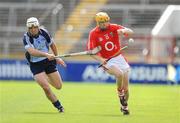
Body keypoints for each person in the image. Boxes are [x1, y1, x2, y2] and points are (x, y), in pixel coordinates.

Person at [87, 12, 133, 115]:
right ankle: (119, 92)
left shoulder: (114, 27)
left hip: (119, 58)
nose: (105, 24)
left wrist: (124, 30)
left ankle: (124, 106)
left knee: (126, 89)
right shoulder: (93, 33)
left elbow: (130, 32)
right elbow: (91, 53)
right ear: (98, 23)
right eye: (102, 22)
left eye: (106, 21)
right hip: (107, 60)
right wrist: (100, 60)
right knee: (119, 74)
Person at [23, 17, 66, 113]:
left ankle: (44, 78)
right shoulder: (26, 37)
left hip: (48, 61)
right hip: (35, 64)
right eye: (31, 28)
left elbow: (52, 45)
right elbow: (32, 51)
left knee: (58, 86)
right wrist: (46, 54)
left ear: (38, 26)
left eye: (35, 27)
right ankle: (59, 106)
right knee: (46, 87)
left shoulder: (44, 33)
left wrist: (57, 57)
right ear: (28, 28)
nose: (33, 30)